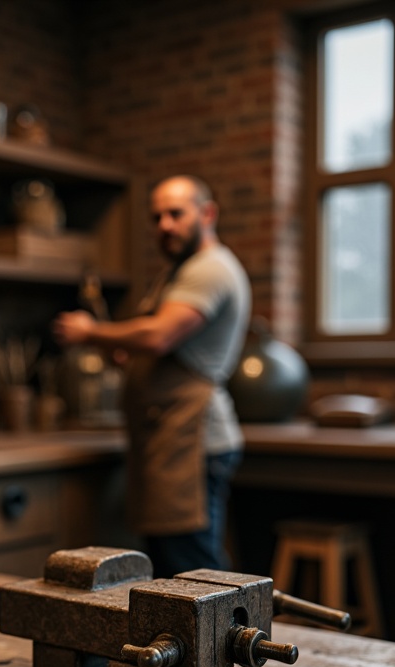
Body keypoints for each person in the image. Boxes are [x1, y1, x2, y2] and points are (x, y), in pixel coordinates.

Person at [52, 175, 250, 577]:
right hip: (170, 440)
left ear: (207, 213)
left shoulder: (209, 269)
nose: (164, 225)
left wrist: (91, 332)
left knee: (196, 575)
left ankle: (223, 642)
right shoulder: (177, 273)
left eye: (176, 214)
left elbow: (159, 335)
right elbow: (154, 350)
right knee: (176, 571)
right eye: (157, 217)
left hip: (193, 441)